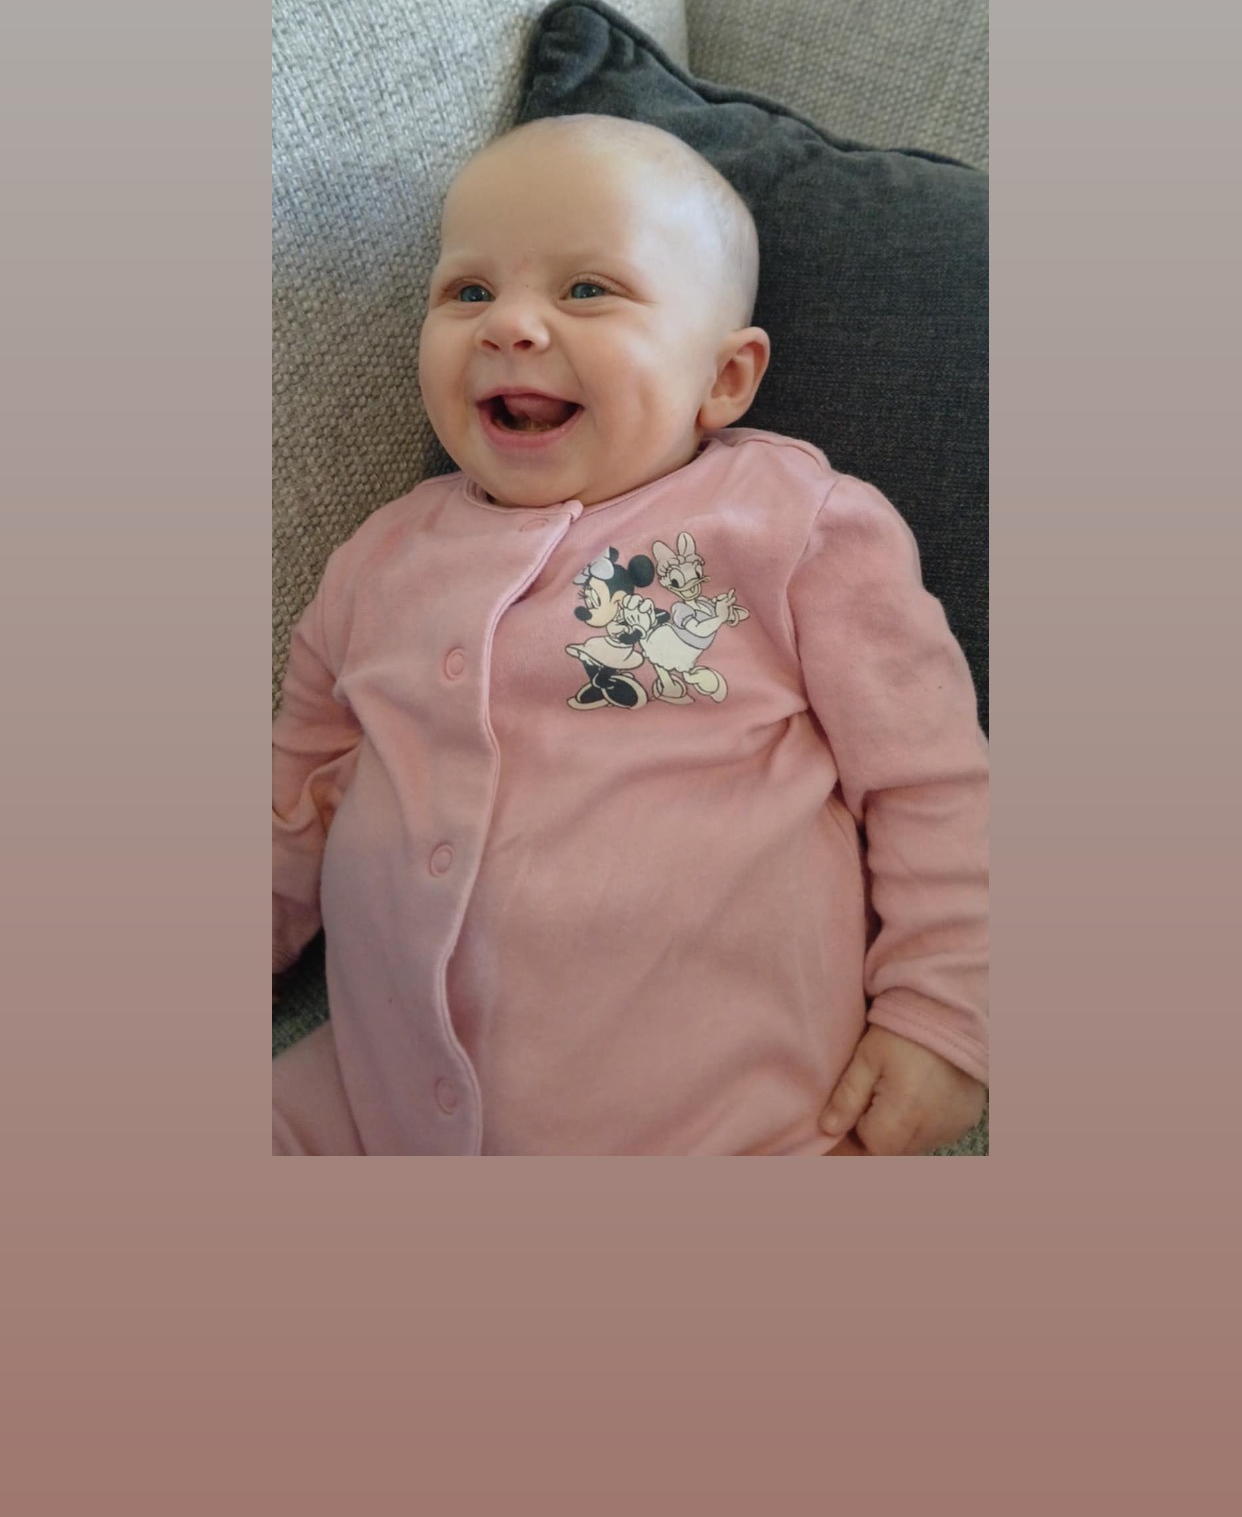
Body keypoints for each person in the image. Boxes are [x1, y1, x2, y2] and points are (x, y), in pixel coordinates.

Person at [272, 113, 988, 1155]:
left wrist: (948, 1007)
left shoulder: (794, 525)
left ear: (725, 378)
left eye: (586, 289)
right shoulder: (377, 563)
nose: (509, 325)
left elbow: (934, 777)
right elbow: (295, 800)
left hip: (736, 1128)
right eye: (467, 291)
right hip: (372, 1105)